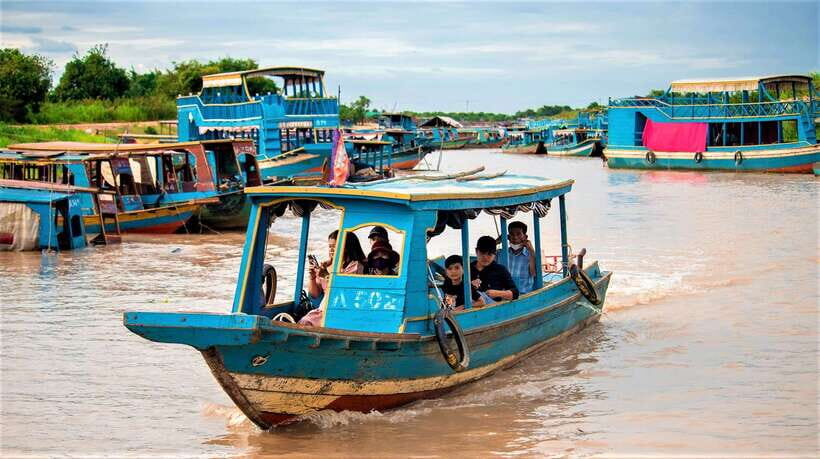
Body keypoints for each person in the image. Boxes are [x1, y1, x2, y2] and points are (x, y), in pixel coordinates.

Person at [308, 230, 366, 301]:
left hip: (343, 307)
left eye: (334, 246)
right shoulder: (327, 266)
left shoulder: (355, 266)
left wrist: (325, 275)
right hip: (326, 305)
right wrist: (312, 276)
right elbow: (315, 294)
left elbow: (342, 293)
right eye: (330, 246)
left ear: (346, 248)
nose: (331, 250)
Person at [470, 235, 519, 303]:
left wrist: (498, 293)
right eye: (482, 253)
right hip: (468, 307)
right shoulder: (467, 269)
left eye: (489, 254)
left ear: (495, 254)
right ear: (476, 251)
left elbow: (515, 293)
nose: (485, 257)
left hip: (492, 307)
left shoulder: (500, 270)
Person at [507, 221, 536, 294]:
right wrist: (497, 241)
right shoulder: (501, 253)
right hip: (505, 296)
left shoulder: (530, 254)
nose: (515, 237)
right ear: (508, 237)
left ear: (525, 237)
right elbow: (485, 252)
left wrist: (531, 251)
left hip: (523, 296)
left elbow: (533, 273)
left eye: (518, 234)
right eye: (512, 234)